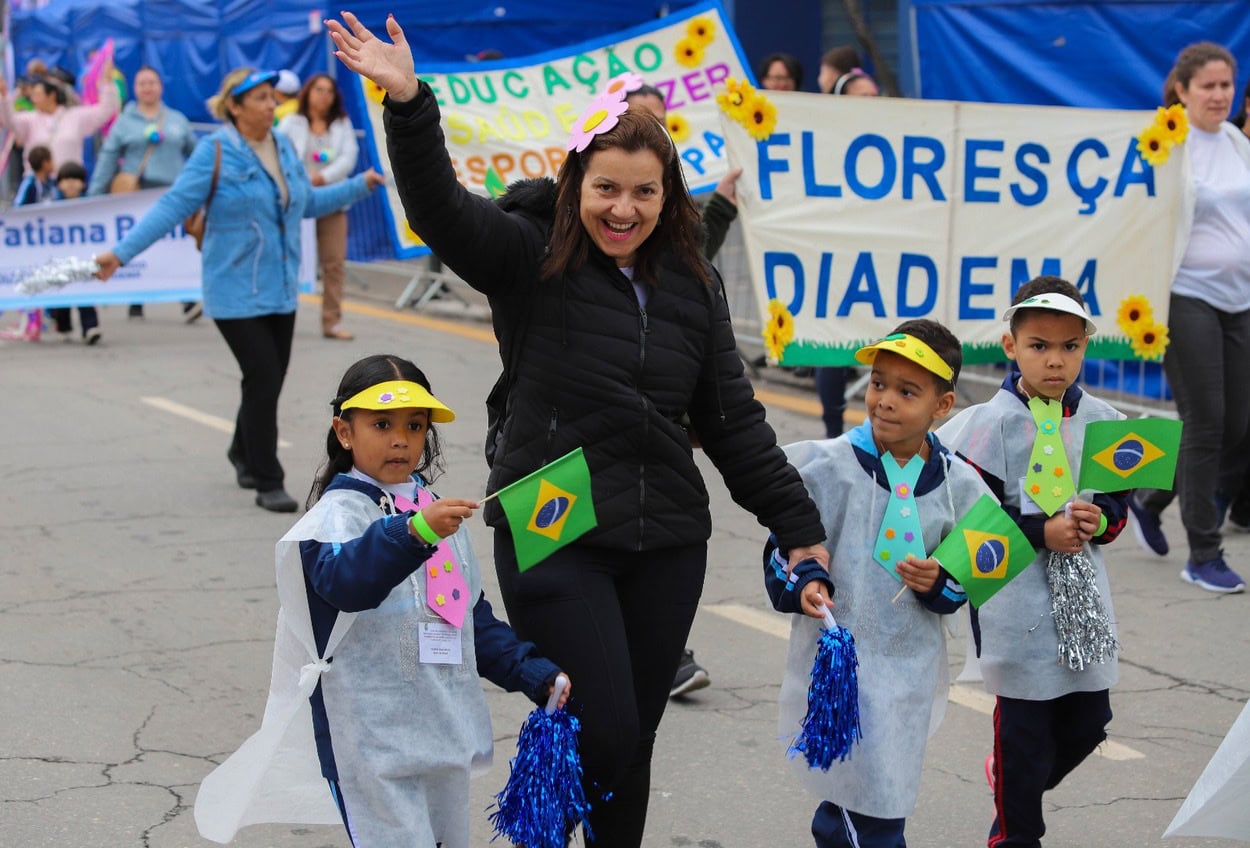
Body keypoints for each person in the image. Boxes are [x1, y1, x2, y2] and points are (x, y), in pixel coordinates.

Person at [325, 13, 829, 845]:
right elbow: (443, 212)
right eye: (606, 188)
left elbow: (733, 422)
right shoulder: (529, 256)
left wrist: (798, 527)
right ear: (576, 184)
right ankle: (542, 809)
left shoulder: (692, 285)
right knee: (609, 730)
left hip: (666, 534)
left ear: (668, 198)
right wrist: (410, 104)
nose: (622, 208)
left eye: (643, 191)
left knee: (635, 738)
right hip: (553, 526)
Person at [192, 353, 569, 846]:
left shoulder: (434, 513)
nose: (400, 439)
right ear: (345, 432)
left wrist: (535, 675)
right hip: (367, 741)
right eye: (382, 424)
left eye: (415, 426)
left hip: (442, 731)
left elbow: (468, 619)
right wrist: (412, 534)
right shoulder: (331, 520)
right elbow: (349, 585)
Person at [93, 68, 385, 513]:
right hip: (233, 291)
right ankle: (268, 478)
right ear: (236, 106)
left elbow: (306, 203)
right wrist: (121, 253)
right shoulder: (215, 151)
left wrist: (359, 186)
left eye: (273, 98)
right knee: (264, 378)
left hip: (280, 289)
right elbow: (173, 206)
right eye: (262, 98)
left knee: (264, 379)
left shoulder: (283, 146)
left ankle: (241, 451)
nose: (272, 105)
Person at [767, 318, 985, 848]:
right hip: (840, 668)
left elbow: (980, 574)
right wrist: (808, 579)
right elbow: (782, 550)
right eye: (879, 383)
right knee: (871, 812)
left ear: (942, 405)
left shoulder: (961, 485)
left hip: (909, 672)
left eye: (907, 391)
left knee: (879, 799)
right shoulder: (827, 466)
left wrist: (942, 580)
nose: (884, 400)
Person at [938, 276, 1130, 848]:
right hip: (1011, 599)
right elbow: (968, 525)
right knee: (1023, 735)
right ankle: (1015, 834)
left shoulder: (1106, 422)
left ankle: (1011, 784)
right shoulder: (984, 426)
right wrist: (1040, 530)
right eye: (1039, 346)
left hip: (1082, 598)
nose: (1055, 360)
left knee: (1089, 721)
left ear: (1086, 347)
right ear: (1010, 346)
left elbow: (1117, 511)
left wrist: (1102, 522)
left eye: (1070, 346)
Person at [623, 81, 746, 698]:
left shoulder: (675, 224)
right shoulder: (577, 225)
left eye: (661, 125)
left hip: (663, 423)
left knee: (655, 531)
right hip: (581, 443)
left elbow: (693, 258)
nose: (626, 209)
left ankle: (666, 651)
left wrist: (797, 525)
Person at [1130, 43, 1250, 592]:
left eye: (1227, 85)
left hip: (1238, 299)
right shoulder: (1166, 143)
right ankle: (1203, 553)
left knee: (1236, 426)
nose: (1221, 95)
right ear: (1182, 89)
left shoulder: (1232, 140)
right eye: (1209, 86)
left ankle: (1149, 498)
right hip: (1185, 295)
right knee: (1204, 423)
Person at [88, 65, 201, 322]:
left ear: (161, 87)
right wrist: (94, 194)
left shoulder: (176, 119)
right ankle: (136, 298)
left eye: (152, 82)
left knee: (179, 247)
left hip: (174, 194)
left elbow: (196, 155)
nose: (148, 88)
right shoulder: (124, 123)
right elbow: (108, 158)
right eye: (142, 83)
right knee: (138, 241)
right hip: (137, 194)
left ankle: (188, 298)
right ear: (135, 89)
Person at [278, 73, 359, 340]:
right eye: (318, 89)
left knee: (334, 263)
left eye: (329, 91)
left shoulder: (341, 124)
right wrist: (301, 178)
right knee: (286, 259)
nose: (324, 95)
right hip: (296, 200)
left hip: (332, 199)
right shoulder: (292, 122)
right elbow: (278, 153)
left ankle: (332, 321)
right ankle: (280, 319)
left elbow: (348, 158)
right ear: (307, 93)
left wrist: (322, 177)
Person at [0, 68, 119, 173]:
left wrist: (107, 83)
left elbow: (105, 111)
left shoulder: (75, 115)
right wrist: (4, 96)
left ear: (51, 95)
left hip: (68, 184)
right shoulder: (28, 119)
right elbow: (9, 121)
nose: (33, 99)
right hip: (38, 185)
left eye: (37, 94)